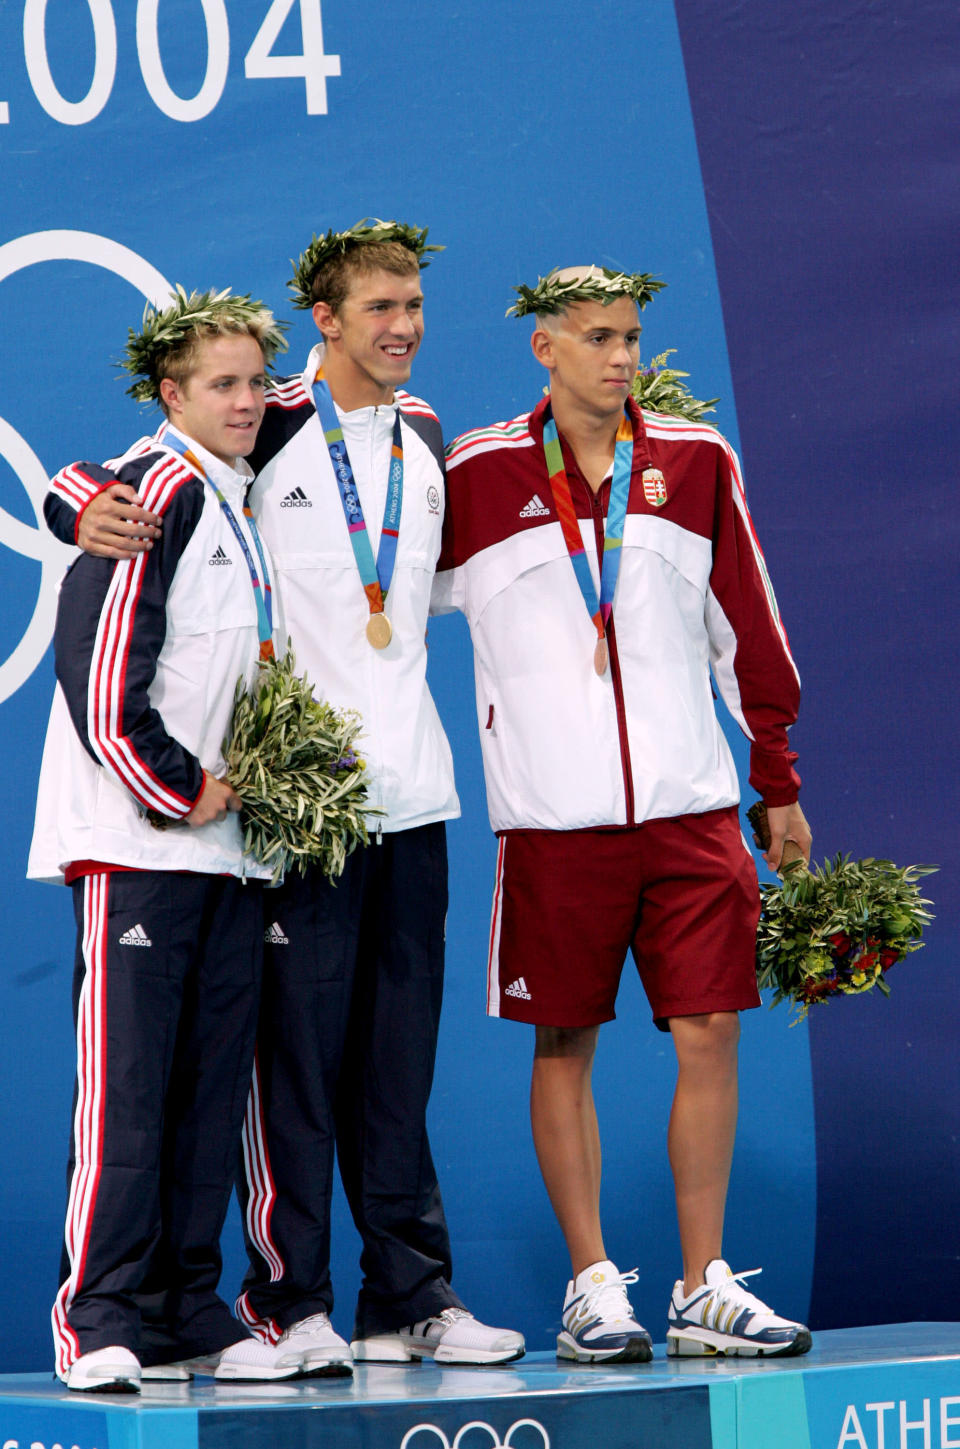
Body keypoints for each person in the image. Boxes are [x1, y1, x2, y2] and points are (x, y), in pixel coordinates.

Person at [42, 222, 525, 1372]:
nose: (403, 327)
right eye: (379, 308)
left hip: (413, 795)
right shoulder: (270, 423)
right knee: (288, 1075)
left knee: (397, 1070)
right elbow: (125, 480)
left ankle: (410, 1294)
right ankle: (287, 1302)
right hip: (294, 812)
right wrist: (72, 506)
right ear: (326, 318)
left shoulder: (422, 432)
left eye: (414, 305)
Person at [433, 264, 813, 1363]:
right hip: (553, 817)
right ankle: (593, 1283)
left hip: (691, 809)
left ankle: (703, 1286)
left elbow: (750, 621)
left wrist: (775, 776)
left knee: (711, 1032)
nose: (619, 358)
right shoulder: (480, 471)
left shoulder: (694, 462)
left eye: (632, 336)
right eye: (596, 337)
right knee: (565, 1043)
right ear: (541, 347)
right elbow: (389, 593)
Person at [28, 288, 315, 1391]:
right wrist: (182, 788)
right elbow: (102, 687)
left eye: (254, 382)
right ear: (171, 394)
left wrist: (232, 810)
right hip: (141, 843)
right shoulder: (156, 491)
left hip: (227, 853)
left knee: (206, 1094)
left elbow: (335, 387)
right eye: (222, 385)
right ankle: (96, 1316)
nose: (246, 401)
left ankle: (184, 1308)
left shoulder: (229, 484)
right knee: (131, 1092)